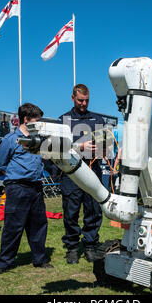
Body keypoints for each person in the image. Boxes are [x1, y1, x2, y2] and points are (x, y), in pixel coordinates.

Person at [0, 102, 53, 275]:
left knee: (39, 225)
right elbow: (1, 164)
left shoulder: (39, 139)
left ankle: (40, 259)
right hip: (17, 187)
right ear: (25, 120)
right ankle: (3, 263)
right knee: (13, 227)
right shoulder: (10, 140)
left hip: (36, 187)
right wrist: (18, 175)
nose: (39, 124)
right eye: (36, 121)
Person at [59, 84, 105, 264]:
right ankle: (72, 247)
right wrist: (80, 147)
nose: (84, 103)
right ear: (72, 98)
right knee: (71, 212)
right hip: (71, 174)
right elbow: (56, 148)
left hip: (93, 171)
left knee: (93, 210)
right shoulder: (63, 121)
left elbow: (106, 147)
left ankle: (90, 245)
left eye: (86, 100)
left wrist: (102, 148)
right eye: (80, 100)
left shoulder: (98, 119)